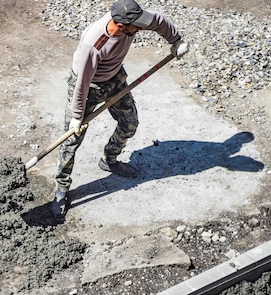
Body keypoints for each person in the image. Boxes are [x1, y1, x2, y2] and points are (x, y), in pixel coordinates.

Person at [51, 0, 189, 220]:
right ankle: (61, 190)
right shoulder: (94, 44)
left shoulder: (133, 19)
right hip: (88, 85)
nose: (141, 29)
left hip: (115, 77)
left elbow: (158, 22)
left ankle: (109, 160)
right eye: (137, 26)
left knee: (129, 123)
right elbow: (81, 85)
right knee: (71, 140)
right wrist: (77, 117)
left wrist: (176, 41)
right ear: (121, 24)